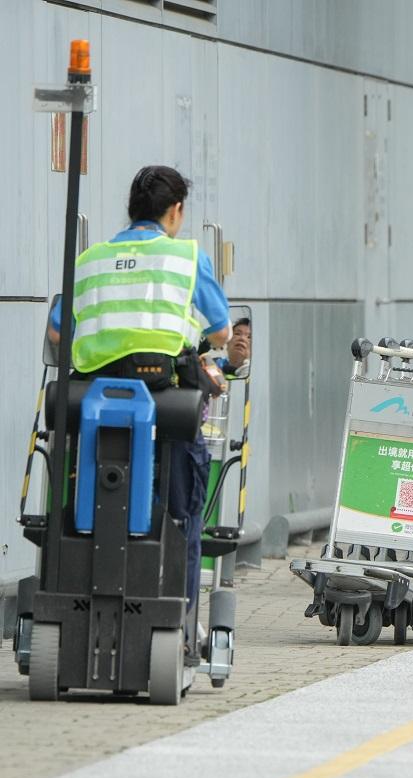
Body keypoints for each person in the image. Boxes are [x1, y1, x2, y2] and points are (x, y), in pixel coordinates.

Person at [48, 165, 232, 637]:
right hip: (166, 406)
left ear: (130, 211)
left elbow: (55, 332)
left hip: (93, 408)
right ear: (176, 212)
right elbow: (221, 332)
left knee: (75, 508)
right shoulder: (187, 257)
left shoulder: (88, 260)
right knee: (182, 516)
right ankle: (180, 625)